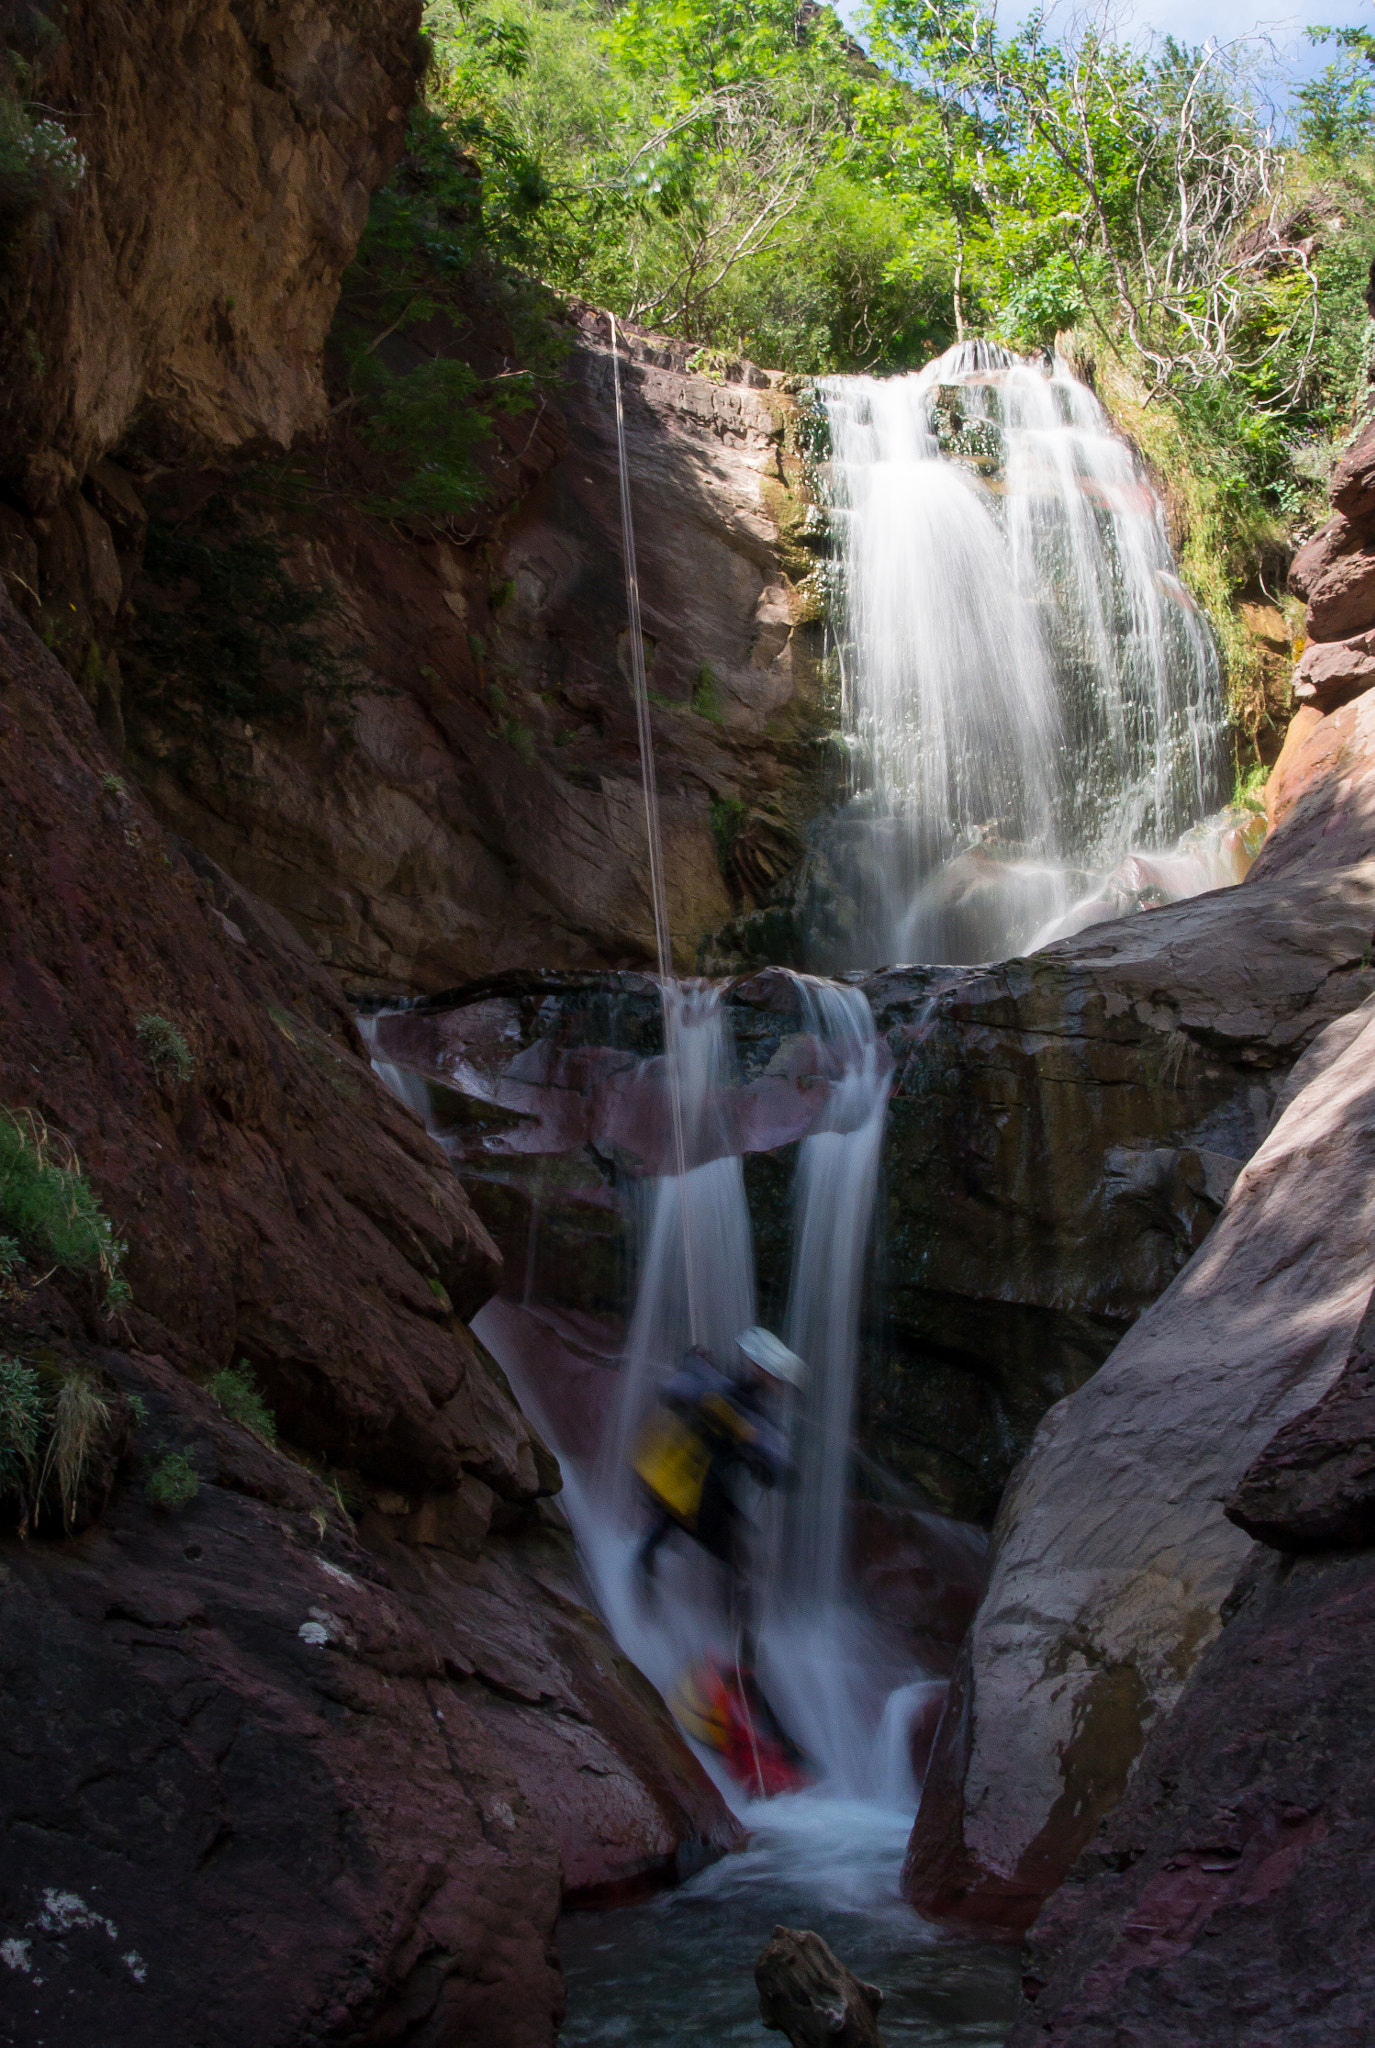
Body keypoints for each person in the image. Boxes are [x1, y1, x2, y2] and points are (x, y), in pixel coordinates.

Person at [632, 1326, 802, 1628]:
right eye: (776, 1377)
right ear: (761, 1369)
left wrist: (761, 1461)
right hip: (693, 1491)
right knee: (736, 1565)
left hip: (678, 1481)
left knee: (661, 1532)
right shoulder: (733, 1396)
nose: (780, 1386)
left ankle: (640, 1602)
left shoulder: (726, 1389)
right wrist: (764, 1460)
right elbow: (745, 1431)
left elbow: (759, 1450)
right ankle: (740, 1653)